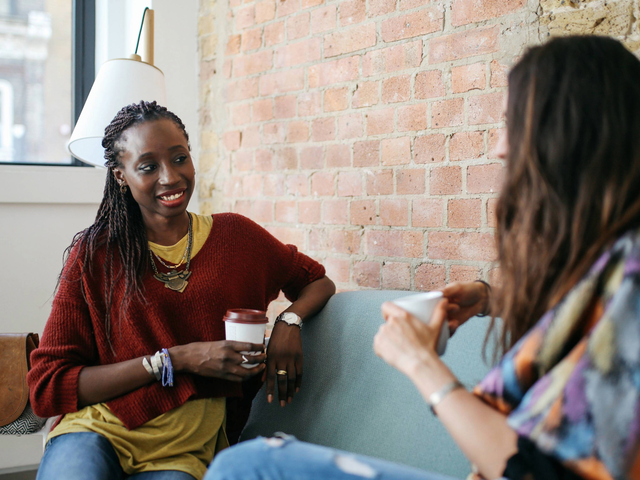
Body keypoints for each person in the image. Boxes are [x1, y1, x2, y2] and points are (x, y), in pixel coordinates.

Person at [204, 35, 640, 480]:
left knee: (250, 465)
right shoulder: (614, 260)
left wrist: (421, 364)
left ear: (568, 135)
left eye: (513, 124)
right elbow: (590, 324)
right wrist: (491, 299)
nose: (500, 148)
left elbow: (541, 471)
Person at [27, 101, 336, 480]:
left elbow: (316, 281)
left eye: (179, 158)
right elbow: (48, 386)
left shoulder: (237, 237)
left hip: (185, 453)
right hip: (98, 432)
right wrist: (174, 359)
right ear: (121, 175)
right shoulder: (97, 253)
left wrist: (289, 323)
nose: (170, 177)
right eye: (148, 166)